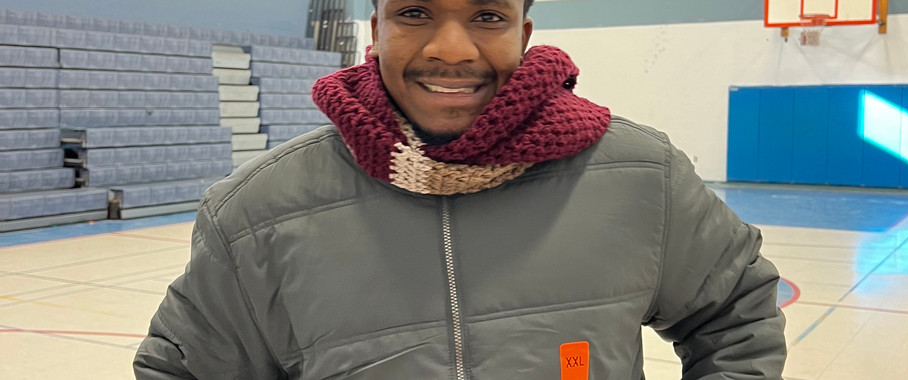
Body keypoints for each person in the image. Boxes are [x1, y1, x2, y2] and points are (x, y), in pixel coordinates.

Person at [134, 0, 787, 378]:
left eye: (486, 14)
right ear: (376, 30)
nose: (451, 48)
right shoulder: (256, 212)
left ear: (523, 33)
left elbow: (735, 314)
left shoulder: (639, 175)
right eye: (416, 12)